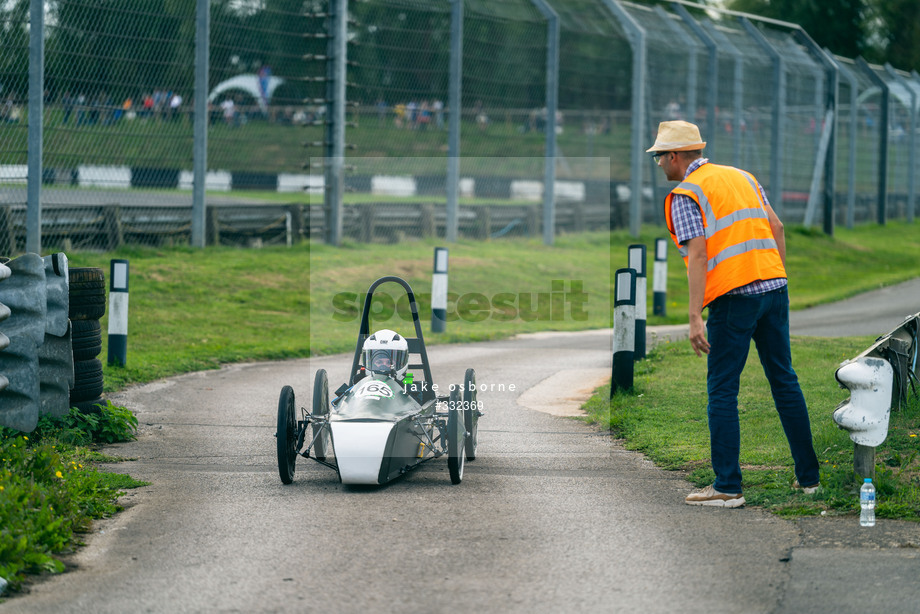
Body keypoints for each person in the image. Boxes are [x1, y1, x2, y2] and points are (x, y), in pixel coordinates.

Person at [648, 120, 820, 508]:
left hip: (732, 298)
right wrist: (779, 280)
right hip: (774, 288)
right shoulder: (743, 176)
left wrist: (694, 316)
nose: (658, 163)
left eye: (659, 156)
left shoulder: (686, 194)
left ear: (674, 156)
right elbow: (776, 226)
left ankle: (727, 487)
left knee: (723, 389)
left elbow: (699, 253)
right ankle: (810, 480)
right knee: (785, 381)